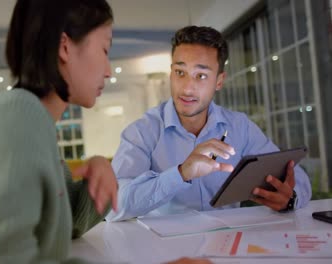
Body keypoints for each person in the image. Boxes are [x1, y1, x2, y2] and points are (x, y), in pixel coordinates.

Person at [0, 1, 210, 263]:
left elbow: (64, 224)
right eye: (105, 49)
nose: (108, 69)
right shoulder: (18, 117)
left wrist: (99, 178)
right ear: (64, 46)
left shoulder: (31, 120)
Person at [106, 26, 312, 222]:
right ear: (171, 73)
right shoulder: (142, 132)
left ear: (219, 81)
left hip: (229, 246)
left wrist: (289, 197)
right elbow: (112, 206)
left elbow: (298, 179)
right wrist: (180, 173)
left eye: (201, 76)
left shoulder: (240, 127)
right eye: (180, 72)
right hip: (166, 252)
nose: (187, 88)